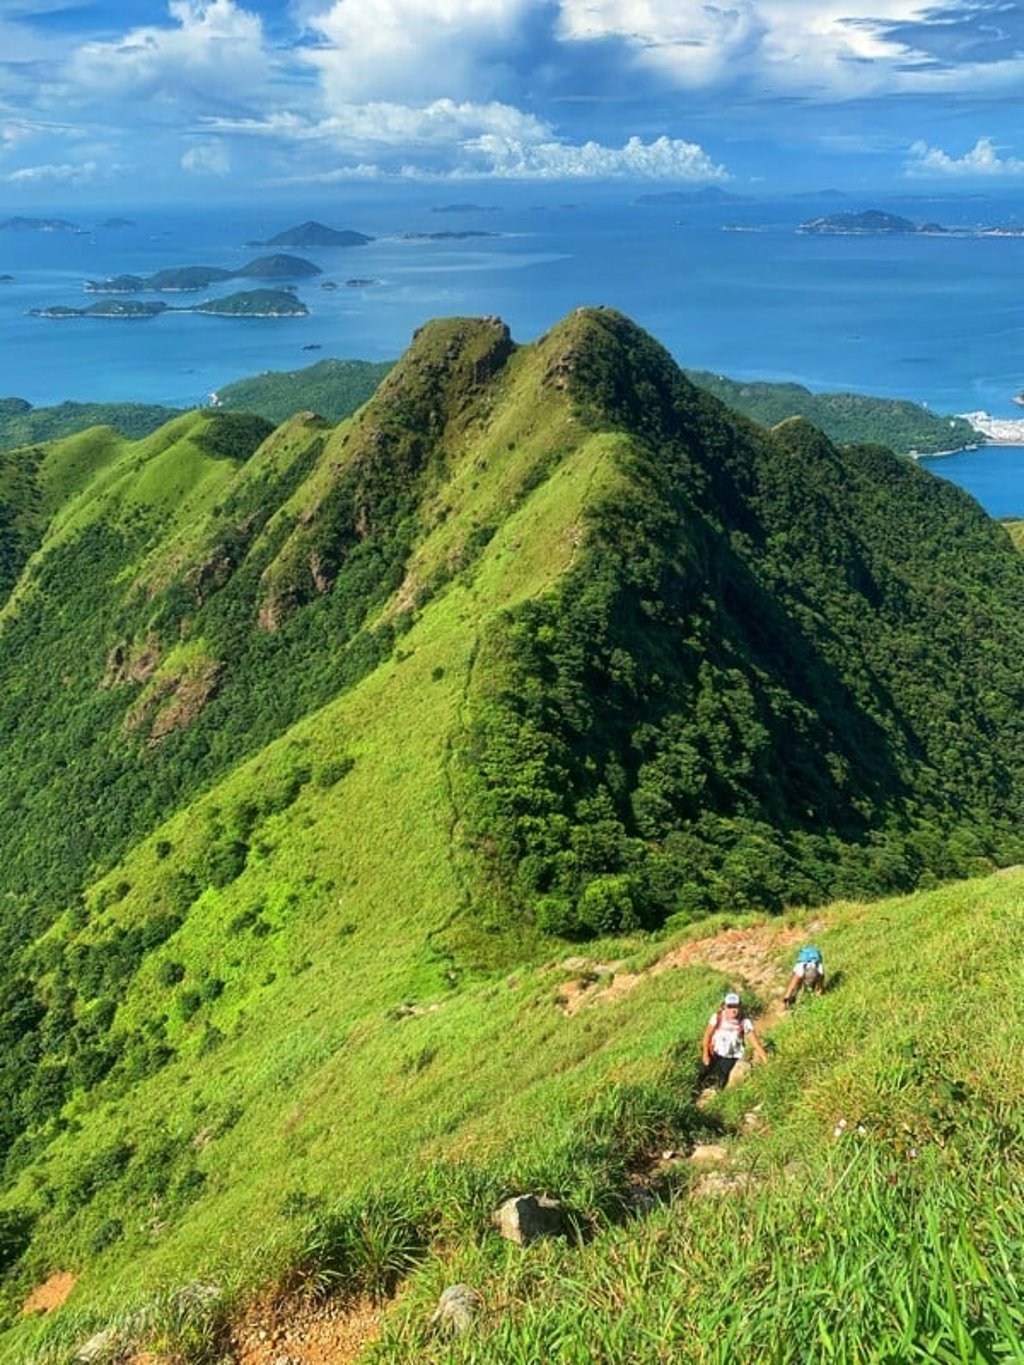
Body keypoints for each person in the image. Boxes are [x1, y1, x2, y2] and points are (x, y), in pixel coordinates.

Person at [700, 992, 768, 1089]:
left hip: (731, 1057)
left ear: (740, 1007)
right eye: (730, 1006)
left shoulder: (744, 1023)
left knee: (720, 1081)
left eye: (736, 1006)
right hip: (714, 1052)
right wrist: (705, 1054)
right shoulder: (717, 1017)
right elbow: (707, 1036)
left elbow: (756, 1044)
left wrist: (767, 1062)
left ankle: (713, 1098)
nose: (733, 1010)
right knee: (703, 1073)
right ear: (724, 1006)